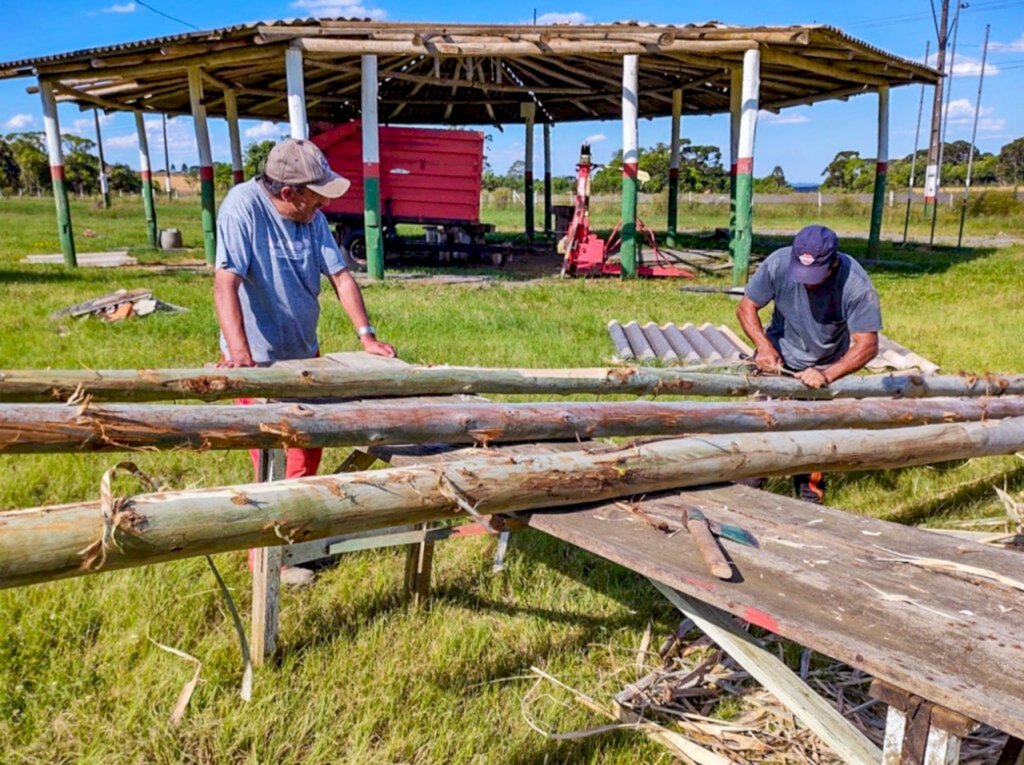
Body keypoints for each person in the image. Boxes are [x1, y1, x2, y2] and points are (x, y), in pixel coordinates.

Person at [214, 138, 396, 584]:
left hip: (302, 355)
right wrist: (240, 356)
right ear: (288, 192)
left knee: (307, 448)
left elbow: (340, 276)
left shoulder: (312, 218)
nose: (320, 204)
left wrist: (366, 336)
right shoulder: (242, 207)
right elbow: (225, 283)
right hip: (257, 360)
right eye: (314, 195)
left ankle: (291, 542)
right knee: (273, 460)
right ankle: (267, 561)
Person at [736, 224, 882, 504]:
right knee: (760, 428)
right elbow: (746, 307)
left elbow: (868, 345)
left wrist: (827, 373)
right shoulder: (778, 263)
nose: (806, 282)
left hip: (822, 363)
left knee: (812, 438)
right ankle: (746, 493)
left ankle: (809, 501)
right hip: (777, 355)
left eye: (814, 276)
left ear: (834, 263)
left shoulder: (856, 286)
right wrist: (764, 346)